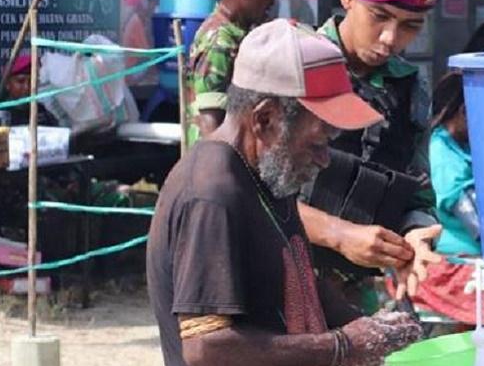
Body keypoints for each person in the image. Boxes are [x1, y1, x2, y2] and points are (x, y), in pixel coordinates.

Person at [147, 19, 422, 366]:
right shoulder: (212, 193)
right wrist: (343, 346)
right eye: (318, 143)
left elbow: (302, 279)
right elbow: (206, 349)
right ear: (265, 119)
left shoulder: (267, 174)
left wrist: (366, 328)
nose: (324, 161)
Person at [298, 0, 443, 311]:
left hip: (352, 292)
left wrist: (414, 235)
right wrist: (339, 234)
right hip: (275, 273)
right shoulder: (293, 65)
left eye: (410, 26)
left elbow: (418, 191)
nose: (391, 39)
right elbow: (241, 189)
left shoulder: (410, 87)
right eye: (378, 16)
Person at [386, 71, 484, 326]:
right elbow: (468, 211)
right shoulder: (441, 149)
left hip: (469, 261)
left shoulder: (464, 146)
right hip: (442, 266)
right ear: (466, 111)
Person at [186, 0, 287, 144]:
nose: (271, 1)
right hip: (215, 159)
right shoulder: (219, 41)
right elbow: (210, 120)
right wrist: (222, 167)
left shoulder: (238, 34)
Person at [2, 55, 56, 126]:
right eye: (20, 81)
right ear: (7, 84)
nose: (26, 87)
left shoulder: (43, 113)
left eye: (32, 81)